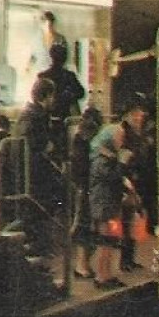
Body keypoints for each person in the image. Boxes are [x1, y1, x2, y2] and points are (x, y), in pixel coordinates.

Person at [12, 78, 63, 258]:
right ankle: (36, 246)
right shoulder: (37, 116)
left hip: (26, 171)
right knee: (38, 209)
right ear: (47, 96)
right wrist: (48, 146)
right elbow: (41, 144)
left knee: (31, 210)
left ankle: (36, 245)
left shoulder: (28, 114)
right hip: (36, 173)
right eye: (52, 95)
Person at [88, 117, 132, 288]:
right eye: (118, 138)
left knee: (112, 239)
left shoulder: (109, 157)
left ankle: (107, 273)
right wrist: (122, 163)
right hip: (104, 205)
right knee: (105, 241)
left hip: (111, 204)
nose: (121, 141)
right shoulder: (101, 159)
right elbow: (111, 178)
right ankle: (101, 276)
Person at [119, 101, 156, 271]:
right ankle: (125, 259)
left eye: (141, 114)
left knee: (134, 221)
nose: (139, 117)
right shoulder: (124, 132)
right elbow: (124, 158)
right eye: (136, 113)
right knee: (127, 221)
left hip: (139, 180)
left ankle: (130, 257)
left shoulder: (138, 132)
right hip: (129, 180)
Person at [67, 108, 102, 279]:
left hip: (85, 187)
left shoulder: (79, 140)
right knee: (85, 226)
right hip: (86, 188)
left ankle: (84, 264)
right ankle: (82, 265)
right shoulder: (83, 142)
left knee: (87, 226)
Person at [37, 41, 86, 135]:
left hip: (46, 118)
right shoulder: (69, 76)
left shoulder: (43, 76)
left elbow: (36, 96)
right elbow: (81, 93)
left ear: (51, 56)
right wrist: (68, 96)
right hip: (65, 117)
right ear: (65, 58)